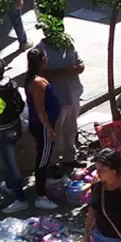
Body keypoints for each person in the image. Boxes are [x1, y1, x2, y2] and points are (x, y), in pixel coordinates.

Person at [0, 58, 29, 213]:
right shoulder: (12, 84)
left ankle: (20, 199)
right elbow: (20, 104)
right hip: (16, 127)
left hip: (3, 131)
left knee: (10, 165)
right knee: (11, 160)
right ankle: (10, 186)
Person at [36, 33, 85, 165]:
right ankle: (54, 161)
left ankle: (70, 157)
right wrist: (64, 72)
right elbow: (38, 74)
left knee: (71, 127)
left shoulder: (67, 44)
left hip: (72, 95)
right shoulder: (40, 50)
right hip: (56, 99)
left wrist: (78, 68)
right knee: (56, 130)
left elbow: (80, 63)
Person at [24, 48, 61, 210]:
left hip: (42, 125)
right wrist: (49, 130)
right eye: (45, 58)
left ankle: (45, 179)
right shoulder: (37, 82)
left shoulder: (34, 78)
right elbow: (40, 110)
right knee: (43, 158)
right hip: (42, 127)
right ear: (41, 61)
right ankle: (41, 195)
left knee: (44, 155)